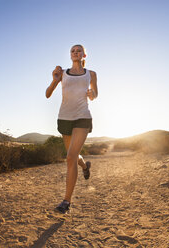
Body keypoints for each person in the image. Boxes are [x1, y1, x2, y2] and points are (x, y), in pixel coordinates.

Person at [45, 44, 98, 214]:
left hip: (83, 117)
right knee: (73, 157)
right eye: (72, 51)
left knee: (70, 157)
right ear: (70, 55)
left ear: (84, 55)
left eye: (78, 50)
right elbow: (47, 94)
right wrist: (55, 79)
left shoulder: (91, 74)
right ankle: (84, 166)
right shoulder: (63, 73)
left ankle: (66, 201)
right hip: (64, 118)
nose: (75, 52)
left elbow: (95, 93)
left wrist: (92, 94)